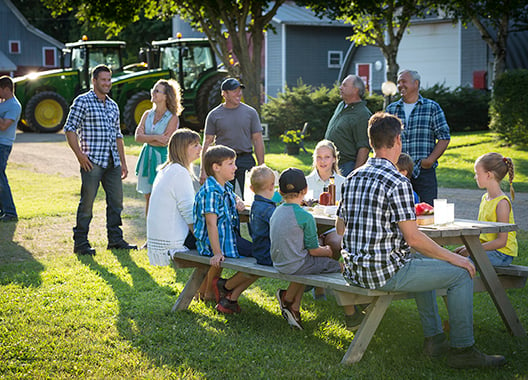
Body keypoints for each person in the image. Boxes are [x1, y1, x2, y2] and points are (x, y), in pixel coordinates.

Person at [336, 112, 505, 369]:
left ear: (371, 143)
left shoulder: (351, 179)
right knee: (460, 273)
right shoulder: (397, 181)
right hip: (383, 272)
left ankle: (435, 339)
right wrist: (456, 258)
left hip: (354, 271)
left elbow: (340, 228)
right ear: (398, 141)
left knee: (424, 259)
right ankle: (463, 349)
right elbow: (413, 238)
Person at [64, 64, 137, 256]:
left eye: (109, 80)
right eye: (103, 80)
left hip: (112, 162)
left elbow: (118, 135)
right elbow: (70, 129)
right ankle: (80, 243)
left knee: (116, 202)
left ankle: (115, 240)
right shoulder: (83, 101)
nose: (107, 83)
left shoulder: (113, 105)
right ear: (94, 81)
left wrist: (123, 161)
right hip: (92, 161)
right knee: (87, 202)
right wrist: (79, 155)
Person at [271, 168, 341, 330]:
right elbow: (314, 251)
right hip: (296, 265)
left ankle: (292, 305)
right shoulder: (306, 216)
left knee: (306, 265)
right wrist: (329, 251)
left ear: (280, 191)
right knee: (341, 267)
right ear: (305, 190)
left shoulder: (276, 211)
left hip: (279, 262)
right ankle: (353, 311)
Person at [193, 145, 255, 314]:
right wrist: (217, 253)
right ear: (216, 167)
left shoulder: (224, 186)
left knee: (261, 254)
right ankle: (224, 289)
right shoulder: (211, 192)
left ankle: (215, 291)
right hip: (218, 244)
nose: (235, 167)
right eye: (230, 163)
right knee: (263, 257)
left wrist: (238, 200)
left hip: (229, 240)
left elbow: (231, 194)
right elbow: (211, 224)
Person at [386, 69, 450, 205]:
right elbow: (385, 139)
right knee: (397, 210)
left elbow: (444, 137)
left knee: (428, 211)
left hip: (424, 171)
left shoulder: (432, 107)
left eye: (404, 82)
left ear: (416, 83)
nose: (400, 85)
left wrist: (430, 160)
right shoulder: (391, 109)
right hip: (398, 171)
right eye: (398, 82)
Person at [200, 78, 265, 196]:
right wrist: (203, 171)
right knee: (223, 196)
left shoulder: (250, 113)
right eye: (234, 90)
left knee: (250, 197)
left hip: (246, 159)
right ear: (224, 94)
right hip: (222, 161)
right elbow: (207, 143)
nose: (239, 93)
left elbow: (257, 139)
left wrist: (261, 166)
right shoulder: (214, 115)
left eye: (239, 90)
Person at [146, 128, 201, 266]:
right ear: (183, 149)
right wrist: (203, 239)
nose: (200, 148)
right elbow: (188, 211)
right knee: (224, 241)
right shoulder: (179, 172)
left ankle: (215, 285)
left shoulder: (167, 169)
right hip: (173, 240)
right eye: (195, 145)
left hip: (159, 237)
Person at [454, 153, 518, 266]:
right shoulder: (485, 198)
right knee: (455, 255)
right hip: (489, 250)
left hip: (502, 254)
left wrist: (472, 250)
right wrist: (468, 247)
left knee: (462, 262)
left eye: (477, 174)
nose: (475, 177)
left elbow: (502, 242)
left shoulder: (502, 203)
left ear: (488, 175)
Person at [135, 79, 182, 219]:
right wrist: (156, 137)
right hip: (147, 157)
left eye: (157, 91)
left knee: (161, 197)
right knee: (148, 197)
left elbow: (165, 142)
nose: (153, 93)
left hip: (163, 159)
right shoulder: (146, 114)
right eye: (153, 89)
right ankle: (149, 236)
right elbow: (137, 137)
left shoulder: (173, 117)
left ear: (166, 96)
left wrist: (147, 137)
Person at [324, 75, 371, 176]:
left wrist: (355, 175)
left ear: (355, 90)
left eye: (344, 85)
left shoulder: (362, 114)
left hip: (347, 166)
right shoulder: (341, 105)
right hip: (330, 164)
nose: (340, 88)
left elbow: (364, 148)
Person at [0, 76, 22, 222]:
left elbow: (3, 126)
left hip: (3, 145)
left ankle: (10, 212)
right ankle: (3, 210)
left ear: (6, 89)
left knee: (1, 178)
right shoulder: (4, 103)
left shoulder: (14, 105)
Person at [248, 164, 277, 266]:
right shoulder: (269, 210)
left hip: (259, 253)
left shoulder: (255, 205)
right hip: (270, 255)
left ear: (251, 188)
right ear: (272, 186)